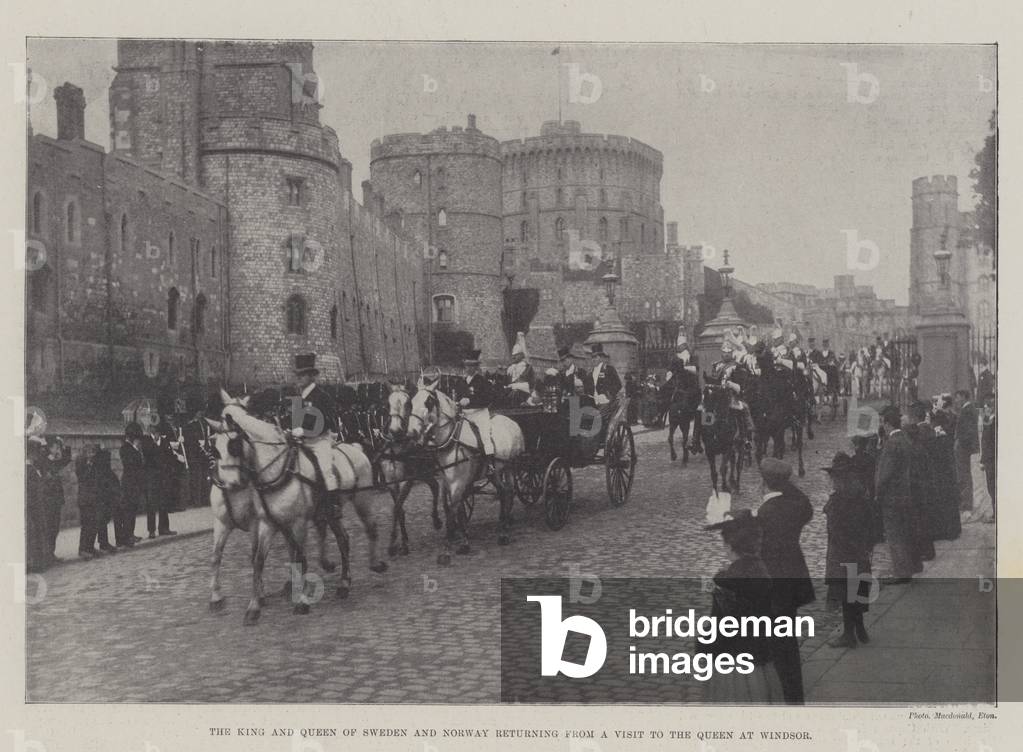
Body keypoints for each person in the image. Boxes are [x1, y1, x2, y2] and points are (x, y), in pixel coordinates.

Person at [703, 509, 785, 703]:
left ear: (730, 546)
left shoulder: (727, 581)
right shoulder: (761, 571)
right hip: (759, 656)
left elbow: (719, 626)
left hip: (733, 661)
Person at [755, 457, 814, 704]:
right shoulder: (795, 506)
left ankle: (784, 694)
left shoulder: (767, 512)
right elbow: (805, 504)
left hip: (773, 584)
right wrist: (784, 484)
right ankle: (792, 692)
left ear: (765, 483)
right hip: (792, 579)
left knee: (776, 644)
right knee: (786, 640)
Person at [822, 451, 875, 649]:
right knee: (857, 590)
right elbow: (871, 523)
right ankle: (860, 629)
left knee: (846, 594)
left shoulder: (839, 500)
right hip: (859, 551)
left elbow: (836, 530)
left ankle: (848, 635)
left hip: (843, 553)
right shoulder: (859, 494)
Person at [293, 352, 343, 514]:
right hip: (301, 442)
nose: (299, 378)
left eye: (303, 375)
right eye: (298, 374)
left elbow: (327, 422)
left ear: (311, 376)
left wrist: (304, 431)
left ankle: (334, 505)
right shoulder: (298, 397)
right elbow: (294, 420)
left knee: (326, 469)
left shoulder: (322, 396)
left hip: (319, 440)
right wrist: (290, 429)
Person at [874, 405, 919, 584]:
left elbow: (884, 473)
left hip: (892, 497)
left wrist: (878, 493)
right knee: (904, 533)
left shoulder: (891, 444)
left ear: (887, 424)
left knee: (894, 535)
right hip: (905, 494)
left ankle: (900, 572)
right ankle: (906, 569)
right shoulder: (905, 439)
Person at [903, 401, 937, 563]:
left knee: (919, 521)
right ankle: (927, 551)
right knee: (924, 520)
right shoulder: (922, 443)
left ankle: (924, 552)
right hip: (926, 487)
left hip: (918, 489)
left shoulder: (915, 449)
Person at [927, 408, 962, 541]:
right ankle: (953, 529)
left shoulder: (938, 434)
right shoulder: (944, 432)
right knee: (949, 500)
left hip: (941, 472)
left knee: (943, 500)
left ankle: (946, 531)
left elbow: (936, 454)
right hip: (948, 471)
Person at [40, 435, 71, 565]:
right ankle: (47, 556)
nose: (57, 449)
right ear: (49, 448)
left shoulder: (54, 460)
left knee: (55, 528)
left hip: (56, 500)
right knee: (49, 528)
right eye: (55, 447)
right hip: (48, 500)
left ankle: (51, 554)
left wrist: (63, 446)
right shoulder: (43, 461)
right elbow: (47, 478)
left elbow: (66, 460)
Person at [118, 422, 147, 548]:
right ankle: (126, 536)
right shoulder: (125, 448)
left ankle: (131, 533)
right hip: (129, 484)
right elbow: (131, 465)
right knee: (128, 510)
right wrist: (136, 449)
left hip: (135, 484)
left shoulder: (134, 448)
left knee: (133, 509)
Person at [953, 389, 979, 513]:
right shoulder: (967, 409)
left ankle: (966, 504)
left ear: (963, 396)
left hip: (964, 448)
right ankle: (965, 502)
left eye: (957, 397)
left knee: (964, 475)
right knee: (964, 474)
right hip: (964, 448)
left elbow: (968, 432)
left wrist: (959, 442)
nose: (956, 401)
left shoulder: (967, 410)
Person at [980, 394, 997, 522]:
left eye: (989, 405)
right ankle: (995, 512)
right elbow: (984, 442)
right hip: (989, 459)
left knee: (994, 486)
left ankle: (997, 514)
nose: (986, 407)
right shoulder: (988, 420)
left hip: (993, 459)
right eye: (986, 405)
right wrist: (982, 460)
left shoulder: (995, 421)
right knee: (991, 486)